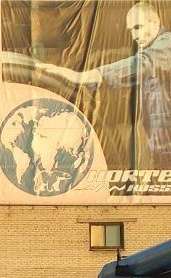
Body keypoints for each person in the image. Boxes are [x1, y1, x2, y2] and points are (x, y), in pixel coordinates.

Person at [38, 1, 171, 167]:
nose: (134, 36)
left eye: (138, 27)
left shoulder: (166, 45)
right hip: (160, 150)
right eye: (131, 30)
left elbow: (145, 63)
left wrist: (87, 75)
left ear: (155, 22)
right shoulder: (152, 51)